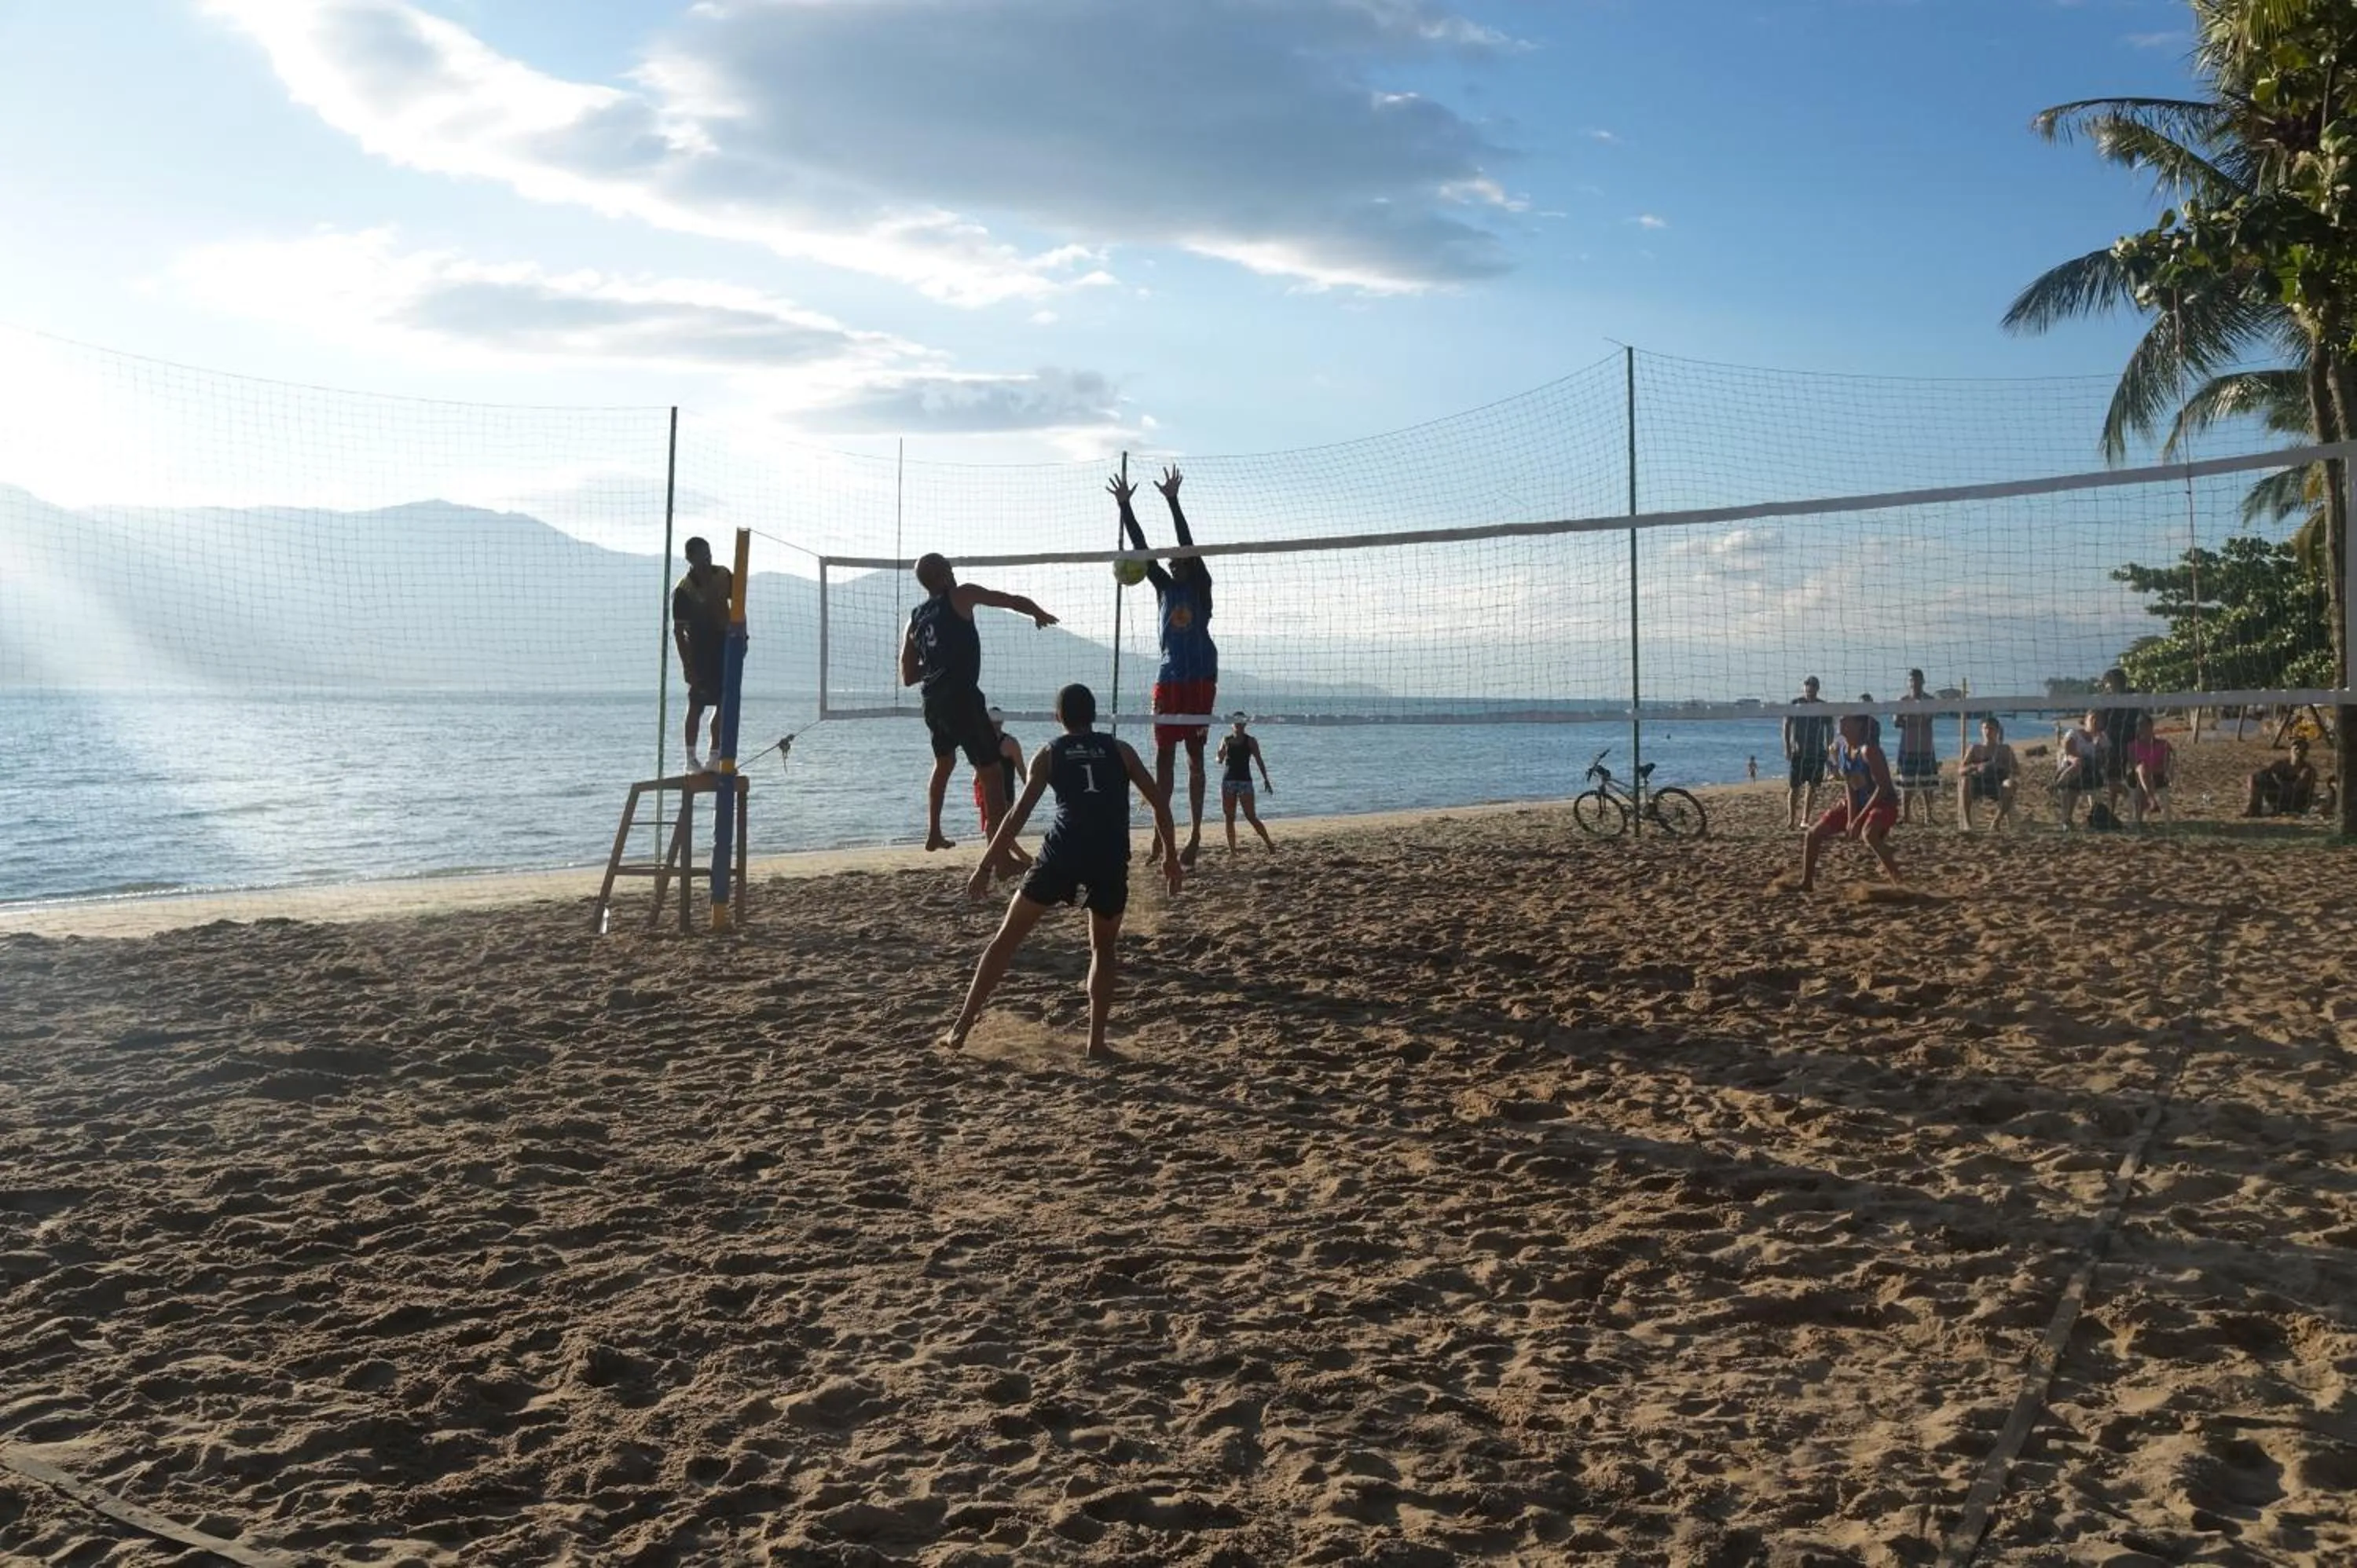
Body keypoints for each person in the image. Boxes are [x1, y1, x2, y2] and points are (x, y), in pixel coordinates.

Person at [943, 683, 1182, 1060]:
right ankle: (1096, 1043)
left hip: (1061, 857)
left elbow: (1016, 815)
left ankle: (960, 1028)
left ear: (1058, 718)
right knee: (1103, 949)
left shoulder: (1050, 753)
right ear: (1095, 715)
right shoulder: (1121, 751)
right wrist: (1170, 856)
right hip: (1106, 859)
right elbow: (1160, 805)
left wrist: (986, 865)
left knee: (1005, 940)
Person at [899, 552, 1058, 855]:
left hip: (933, 701)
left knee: (944, 763)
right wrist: (1038, 612)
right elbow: (1009, 600)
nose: (953, 572)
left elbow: (907, 676)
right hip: (961, 697)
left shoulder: (915, 618)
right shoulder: (962, 595)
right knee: (992, 773)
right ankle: (997, 857)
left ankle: (934, 832)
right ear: (944, 574)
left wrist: (936, 664)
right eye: (949, 568)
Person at [1110, 467, 1217, 866]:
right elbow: (1142, 548)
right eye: (1171, 565)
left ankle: (1193, 837)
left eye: (1179, 563)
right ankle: (1161, 833)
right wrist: (1126, 506)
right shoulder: (1165, 588)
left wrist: (1173, 500)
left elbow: (1186, 544)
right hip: (1170, 678)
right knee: (1164, 759)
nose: (1173, 566)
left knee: (1195, 759)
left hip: (1200, 677)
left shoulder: (1200, 586)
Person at [1799, 713, 1901, 891]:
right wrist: (1850, 819)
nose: (1841, 720)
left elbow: (1883, 788)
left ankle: (1900, 884)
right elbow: (1850, 786)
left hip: (1884, 804)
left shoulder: (1869, 751)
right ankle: (1806, 883)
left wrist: (1859, 820)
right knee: (1812, 834)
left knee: (1869, 835)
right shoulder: (1841, 749)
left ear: (1859, 725)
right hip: (1860, 804)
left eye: (1846, 718)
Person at [672, 537, 734, 771]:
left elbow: (739, 604)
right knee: (697, 705)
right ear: (690, 558)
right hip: (699, 651)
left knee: (724, 703)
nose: (707, 559)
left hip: (724, 647)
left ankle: (714, 755)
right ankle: (690, 758)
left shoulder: (723, 575)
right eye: (701, 556)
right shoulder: (683, 590)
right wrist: (688, 666)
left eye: (708, 554)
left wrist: (741, 640)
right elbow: (679, 633)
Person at [972, 709, 1033, 869]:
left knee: (998, 829)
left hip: (1003, 792)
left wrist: (1030, 789)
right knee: (991, 829)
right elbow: (979, 768)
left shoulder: (1008, 742)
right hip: (986, 790)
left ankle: (1023, 858)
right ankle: (995, 861)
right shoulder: (982, 741)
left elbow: (1021, 769)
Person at [1215, 713, 1276, 852]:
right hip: (1228, 781)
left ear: (1245, 724)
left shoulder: (1250, 741)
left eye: (1241, 722)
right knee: (1229, 817)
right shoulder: (1226, 740)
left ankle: (1269, 844)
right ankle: (1232, 850)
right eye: (1236, 722)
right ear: (1232, 724)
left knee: (1251, 816)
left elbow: (1259, 760)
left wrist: (1266, 779)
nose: (1239, 725)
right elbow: (1220, 760)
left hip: (1245, 781)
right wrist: (1218, 756)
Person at [1783, 676, 1833, 829]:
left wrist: (1829, 749)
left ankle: (1805, 819)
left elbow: (1829, 729)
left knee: (1812, 787)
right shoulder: (1796, 704)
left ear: (1817, 689)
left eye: (1812, 689)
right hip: (1799, 752)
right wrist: (1788, 747)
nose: (1809, 691)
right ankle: (1791, 820)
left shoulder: (1823, 706)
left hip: (1817, 752)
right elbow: (1786, 725)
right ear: (1804, 688)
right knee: (1794, 787)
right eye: (1807, 688)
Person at [1956, 716, 2019, 832]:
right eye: (1985, 728)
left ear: (1997, 731)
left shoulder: (2005, 749)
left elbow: (2016, 770)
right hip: (1979, 783)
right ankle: (1968, 823)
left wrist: (2002, 766)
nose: (1988, 732)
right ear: (1981, 730)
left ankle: (1996, 822)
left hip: (1998, 783)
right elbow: (1960, 770)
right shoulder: (1975, 748)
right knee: (1965, 781)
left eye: (1991, 729)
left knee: (2011, 784)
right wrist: (1976, 767)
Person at [1893, 669, 1939, 825]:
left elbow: (1927, 720)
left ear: (1923, 681)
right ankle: (1906, 816)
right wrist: (1912, 718)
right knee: (1906, 784)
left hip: (1926, 747)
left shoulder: (1930, 700)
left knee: (1928, 784)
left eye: (1918, 680)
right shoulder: (1902, 700)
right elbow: (1896, 722)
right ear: (1908, 682)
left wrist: (1909, 719)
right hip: (1907, 746)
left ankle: (1929, 816)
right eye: (1912, 680)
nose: (1915, 684)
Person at [2055, 709, 2108, 829]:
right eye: (2092, 718)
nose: (2095, 722)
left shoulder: (2102, 738)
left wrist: (2098, 746)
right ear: (2085, 721)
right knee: (2073, 784)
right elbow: (2068, 753)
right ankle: (2066, 819)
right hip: (2071, 769)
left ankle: (2095, 817)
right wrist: (2078, 761)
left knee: (2094, 783)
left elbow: (2103, 760)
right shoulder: (2074, 734)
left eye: (2098, 719)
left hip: (2090, 771)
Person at [2097, 669, 2137, 815]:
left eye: (2107, 683)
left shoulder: (2130, 697)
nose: (2106, 686)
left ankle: (2128, 796)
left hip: (2121, 744)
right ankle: (2112, 811)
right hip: (2116, 743)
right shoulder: (2110, 699)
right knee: (2113, 778)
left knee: (2111, 779)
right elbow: (2100, 721)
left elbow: (2100, 721)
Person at [2245, 738, 2319, 817]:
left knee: (2288, 784)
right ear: (2291, 750)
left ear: (2305, 753)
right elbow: (2266, 773)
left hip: (2296, 800)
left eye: (2301, 749)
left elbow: (2303, 789)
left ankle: (2284, 809)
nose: (2298, 752)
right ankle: (2254, 809)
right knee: (2256, 778)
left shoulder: (2308, 769)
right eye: (2296, 748)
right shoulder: (2281, 764)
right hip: (2278, 794)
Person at [2127, 714, 2172, 826]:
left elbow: (2165, 766)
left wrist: (2148, 770)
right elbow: (2133, 765)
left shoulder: (2163, 744)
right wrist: (2145, 770)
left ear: (2151, 726)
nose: (2142, 729)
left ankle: (2139, 818)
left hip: (2157, 776)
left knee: (2143, 772)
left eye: (2144, 726)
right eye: (2139, 726)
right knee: (2141, 770)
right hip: (2137, 776)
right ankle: (2152, 799)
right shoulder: (2133, 745)